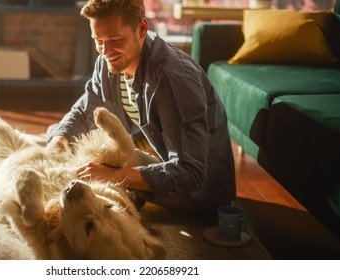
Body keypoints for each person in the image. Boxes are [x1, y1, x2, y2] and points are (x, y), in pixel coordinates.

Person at [46, 0, 236, 221]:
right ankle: (130, 190)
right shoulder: (107, 62)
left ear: (142, 29)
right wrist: (60, 138)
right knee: (82, 145)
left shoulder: (173, 80)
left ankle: (128, 192)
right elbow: (85, 107)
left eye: (115, 40)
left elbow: (191, 173)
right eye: (98, 41)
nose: (106, 51)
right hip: (157, 155)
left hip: (199, 193)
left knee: (100, 158)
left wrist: (117, 176)